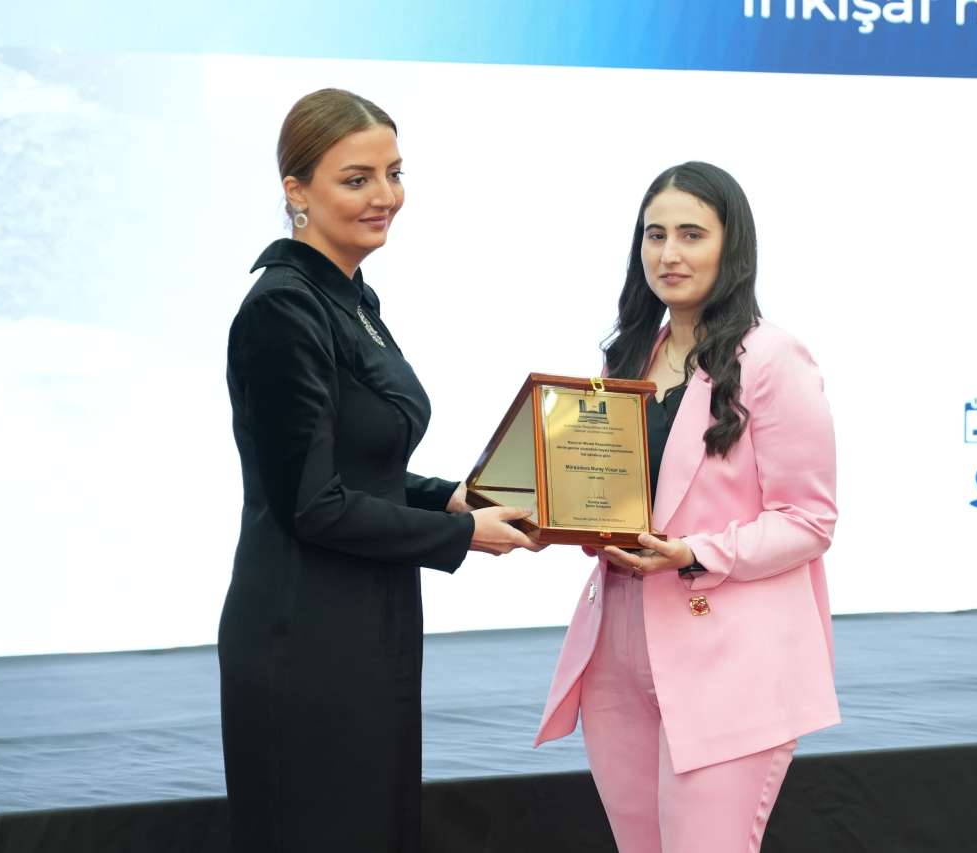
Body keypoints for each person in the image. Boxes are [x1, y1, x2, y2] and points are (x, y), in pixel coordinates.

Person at [219, 88, 536, 853]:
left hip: (367, 624)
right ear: (296, 191)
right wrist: (460, 534)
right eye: (356, 179)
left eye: (394, 173)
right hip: (305, 639)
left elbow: (363, 467)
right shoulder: (282, 311)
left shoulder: (350, 299)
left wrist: (454, 497)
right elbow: (312, 503)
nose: (385, 196)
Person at [534, 161, 840, 852]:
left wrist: (695, 551)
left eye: (691, 235)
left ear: (732, 247)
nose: (669, 253)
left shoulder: (773, 357)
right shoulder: (628, 356)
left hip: (729, 654)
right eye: (655, 235)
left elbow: (809, 520)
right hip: (617, 645)